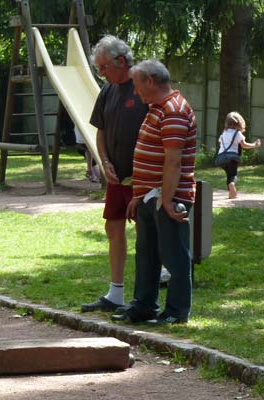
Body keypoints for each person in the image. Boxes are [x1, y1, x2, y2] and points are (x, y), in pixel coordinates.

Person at [112, 59, 198, 326]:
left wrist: (168, 201)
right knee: (147, 254)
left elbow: (173, 161)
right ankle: (144, 305)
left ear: (150, 81)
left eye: (137, 86)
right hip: (151, 196)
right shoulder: (156, 108)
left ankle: (176, 312)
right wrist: (139, 194)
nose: (136, 92)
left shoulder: (174, 110)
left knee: (174, 255)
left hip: (167, 197)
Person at [80, 36, 149, 313]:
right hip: (116, 177)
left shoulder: (144, 84)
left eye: (103, 67)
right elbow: (101, 131)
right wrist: (104, 161)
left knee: (147, 232)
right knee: (113, 228)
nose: (101, 73)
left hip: (143, 177)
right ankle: (115, 294)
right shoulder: (107, 90)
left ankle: (146, 295)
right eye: (98, 69)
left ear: (121, 61)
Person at [217, 111, 261, 199]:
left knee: (229, 175)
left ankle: (231, 194)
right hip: (232, 158)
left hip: (221, 158)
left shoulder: (224, 133)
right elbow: (244, 145)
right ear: (239, 123)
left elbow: (220, 142)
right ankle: (232, 185)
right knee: (233, 175)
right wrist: (254, 145)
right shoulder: (237, 133)